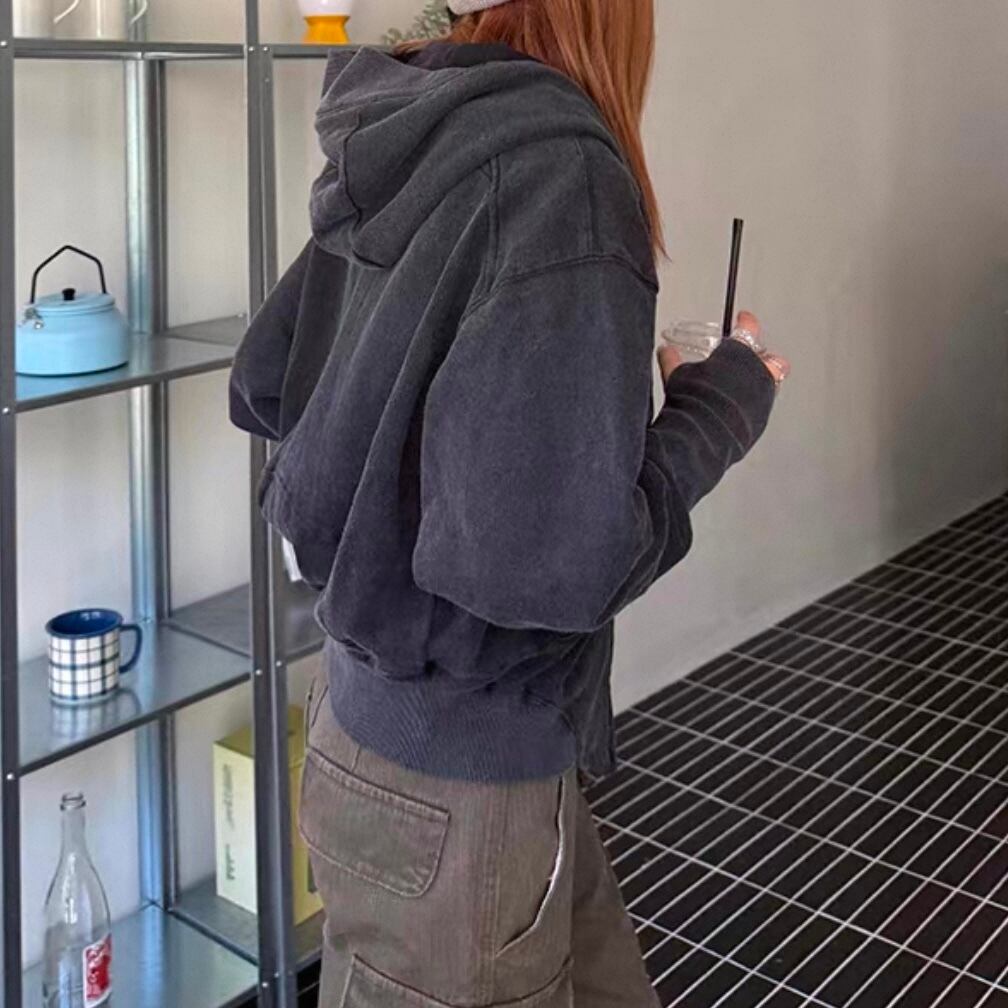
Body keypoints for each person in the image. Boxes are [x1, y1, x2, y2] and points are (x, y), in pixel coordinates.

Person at [228, 0, 790, 1004]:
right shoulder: (562, 174)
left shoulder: (402, 119)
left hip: (361, 729)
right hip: (461, 791)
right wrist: (718, 409)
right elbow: (551, 565)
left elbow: (267, 382)